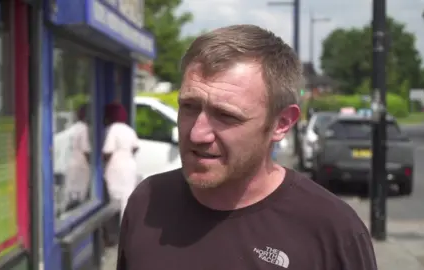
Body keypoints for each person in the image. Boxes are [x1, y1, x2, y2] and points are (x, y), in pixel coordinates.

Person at [116, 25, 377, 270]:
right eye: (189, 107)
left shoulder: (333, 231)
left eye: (226, 116)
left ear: (281, 123)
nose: (197, 133)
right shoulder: (147, 202)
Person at [103, 103, 139, 223]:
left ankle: (117, 232)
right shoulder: (128, 129)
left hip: (115, 167)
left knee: (115, 200)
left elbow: (108, 151)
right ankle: (128, 228)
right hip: (129, 165)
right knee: (127, 197)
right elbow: (135, 147)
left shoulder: (112, 129)